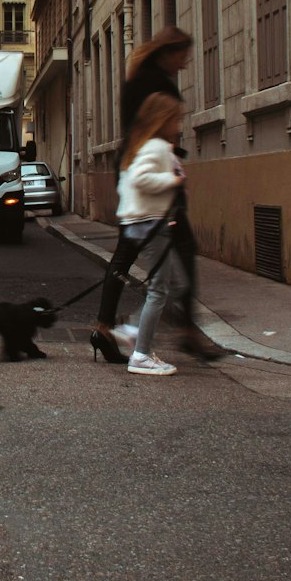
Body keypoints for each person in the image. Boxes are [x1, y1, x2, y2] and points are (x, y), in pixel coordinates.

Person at [91, 93, 190, 374]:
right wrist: (174, 180)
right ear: (164, 120)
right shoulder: (156, 146)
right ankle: (141, 355)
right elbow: (140, 179)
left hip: (147, 222)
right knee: (160, 289)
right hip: (150, 224)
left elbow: (128, 184)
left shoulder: (145, 145)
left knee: (177, 286)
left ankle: (134, 330)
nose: (180, 125)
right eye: (176, 119)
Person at [119, 26, 193, 141]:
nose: (183, 65)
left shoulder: (139, 79)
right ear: (167, 54)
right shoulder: (157, 85)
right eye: (182, 58)